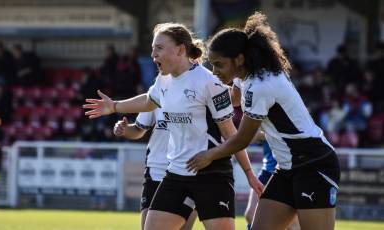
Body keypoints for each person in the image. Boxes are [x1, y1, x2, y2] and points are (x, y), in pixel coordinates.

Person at [84, 23, 263, 230]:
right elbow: (149, 101)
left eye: (159, 48)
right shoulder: (164, 80)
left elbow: (230, 132)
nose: (153, 55)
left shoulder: (209, 83)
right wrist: (115, 106)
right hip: (177, 173)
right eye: (153, 49)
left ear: (180, 49)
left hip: (211, 173)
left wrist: (249, 173)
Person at [186, 12, 340, 230]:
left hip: (314, 165)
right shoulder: (245, 74)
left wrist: (209, 155)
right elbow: (234, 99)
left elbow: (241, 139)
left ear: (239, 59)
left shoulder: (261, 85)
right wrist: (196, 104)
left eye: (219, 65)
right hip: (287, 168)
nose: (214, 72)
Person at [232, 78, 301, 230]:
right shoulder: (258, 106)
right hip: (267, 169)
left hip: (284, 169)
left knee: (291, 223)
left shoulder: (285, 111)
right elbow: (251, 135)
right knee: (250, 214)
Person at [113, 109, 197, 230]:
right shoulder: (156, 92)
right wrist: (124, 129)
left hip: (187, 172)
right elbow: (138, 129)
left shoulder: (201, 93)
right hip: (156, 172)